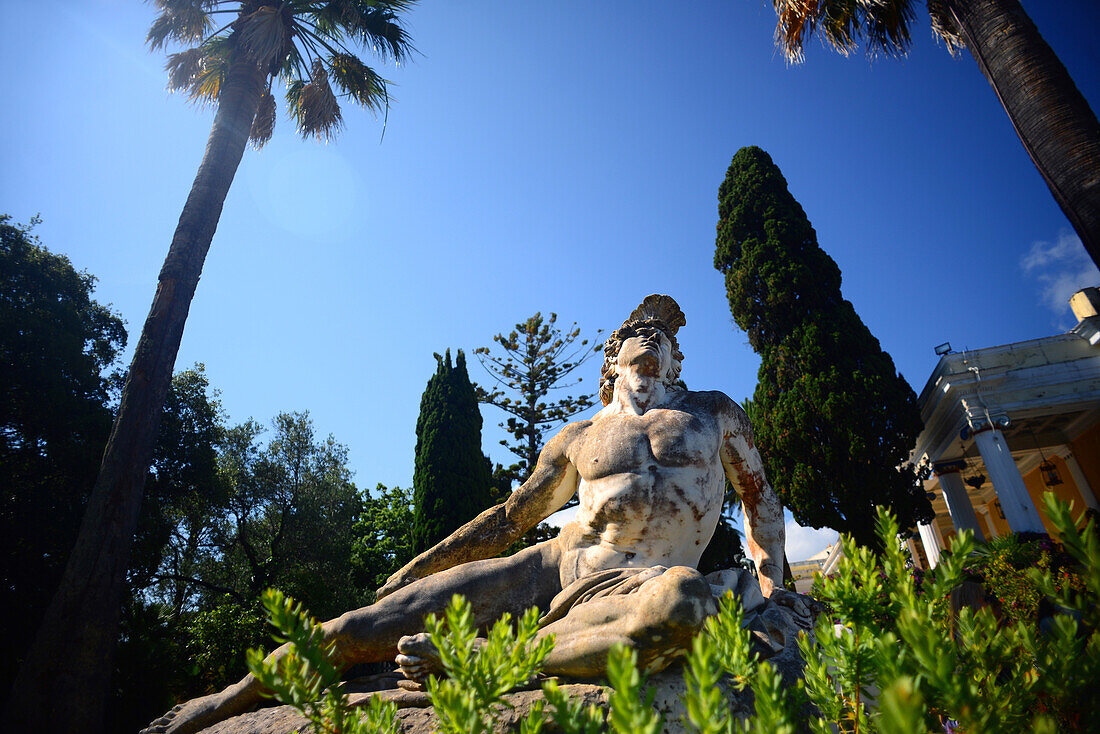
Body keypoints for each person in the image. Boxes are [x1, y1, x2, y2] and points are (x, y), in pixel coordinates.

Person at [145, 294, 796, 734]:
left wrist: (774, 591)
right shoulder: (578, 437)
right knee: (364, 625)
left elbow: (760, 504)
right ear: (612, 355)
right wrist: (417, 569)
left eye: (663, 334)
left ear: (678, 359)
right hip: (557, 565)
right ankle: (220, 703)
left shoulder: (713, 413)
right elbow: (509, 519)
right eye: (637, 329)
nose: (653, 335)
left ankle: (476, 659)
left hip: (647, 581)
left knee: (681, 604)